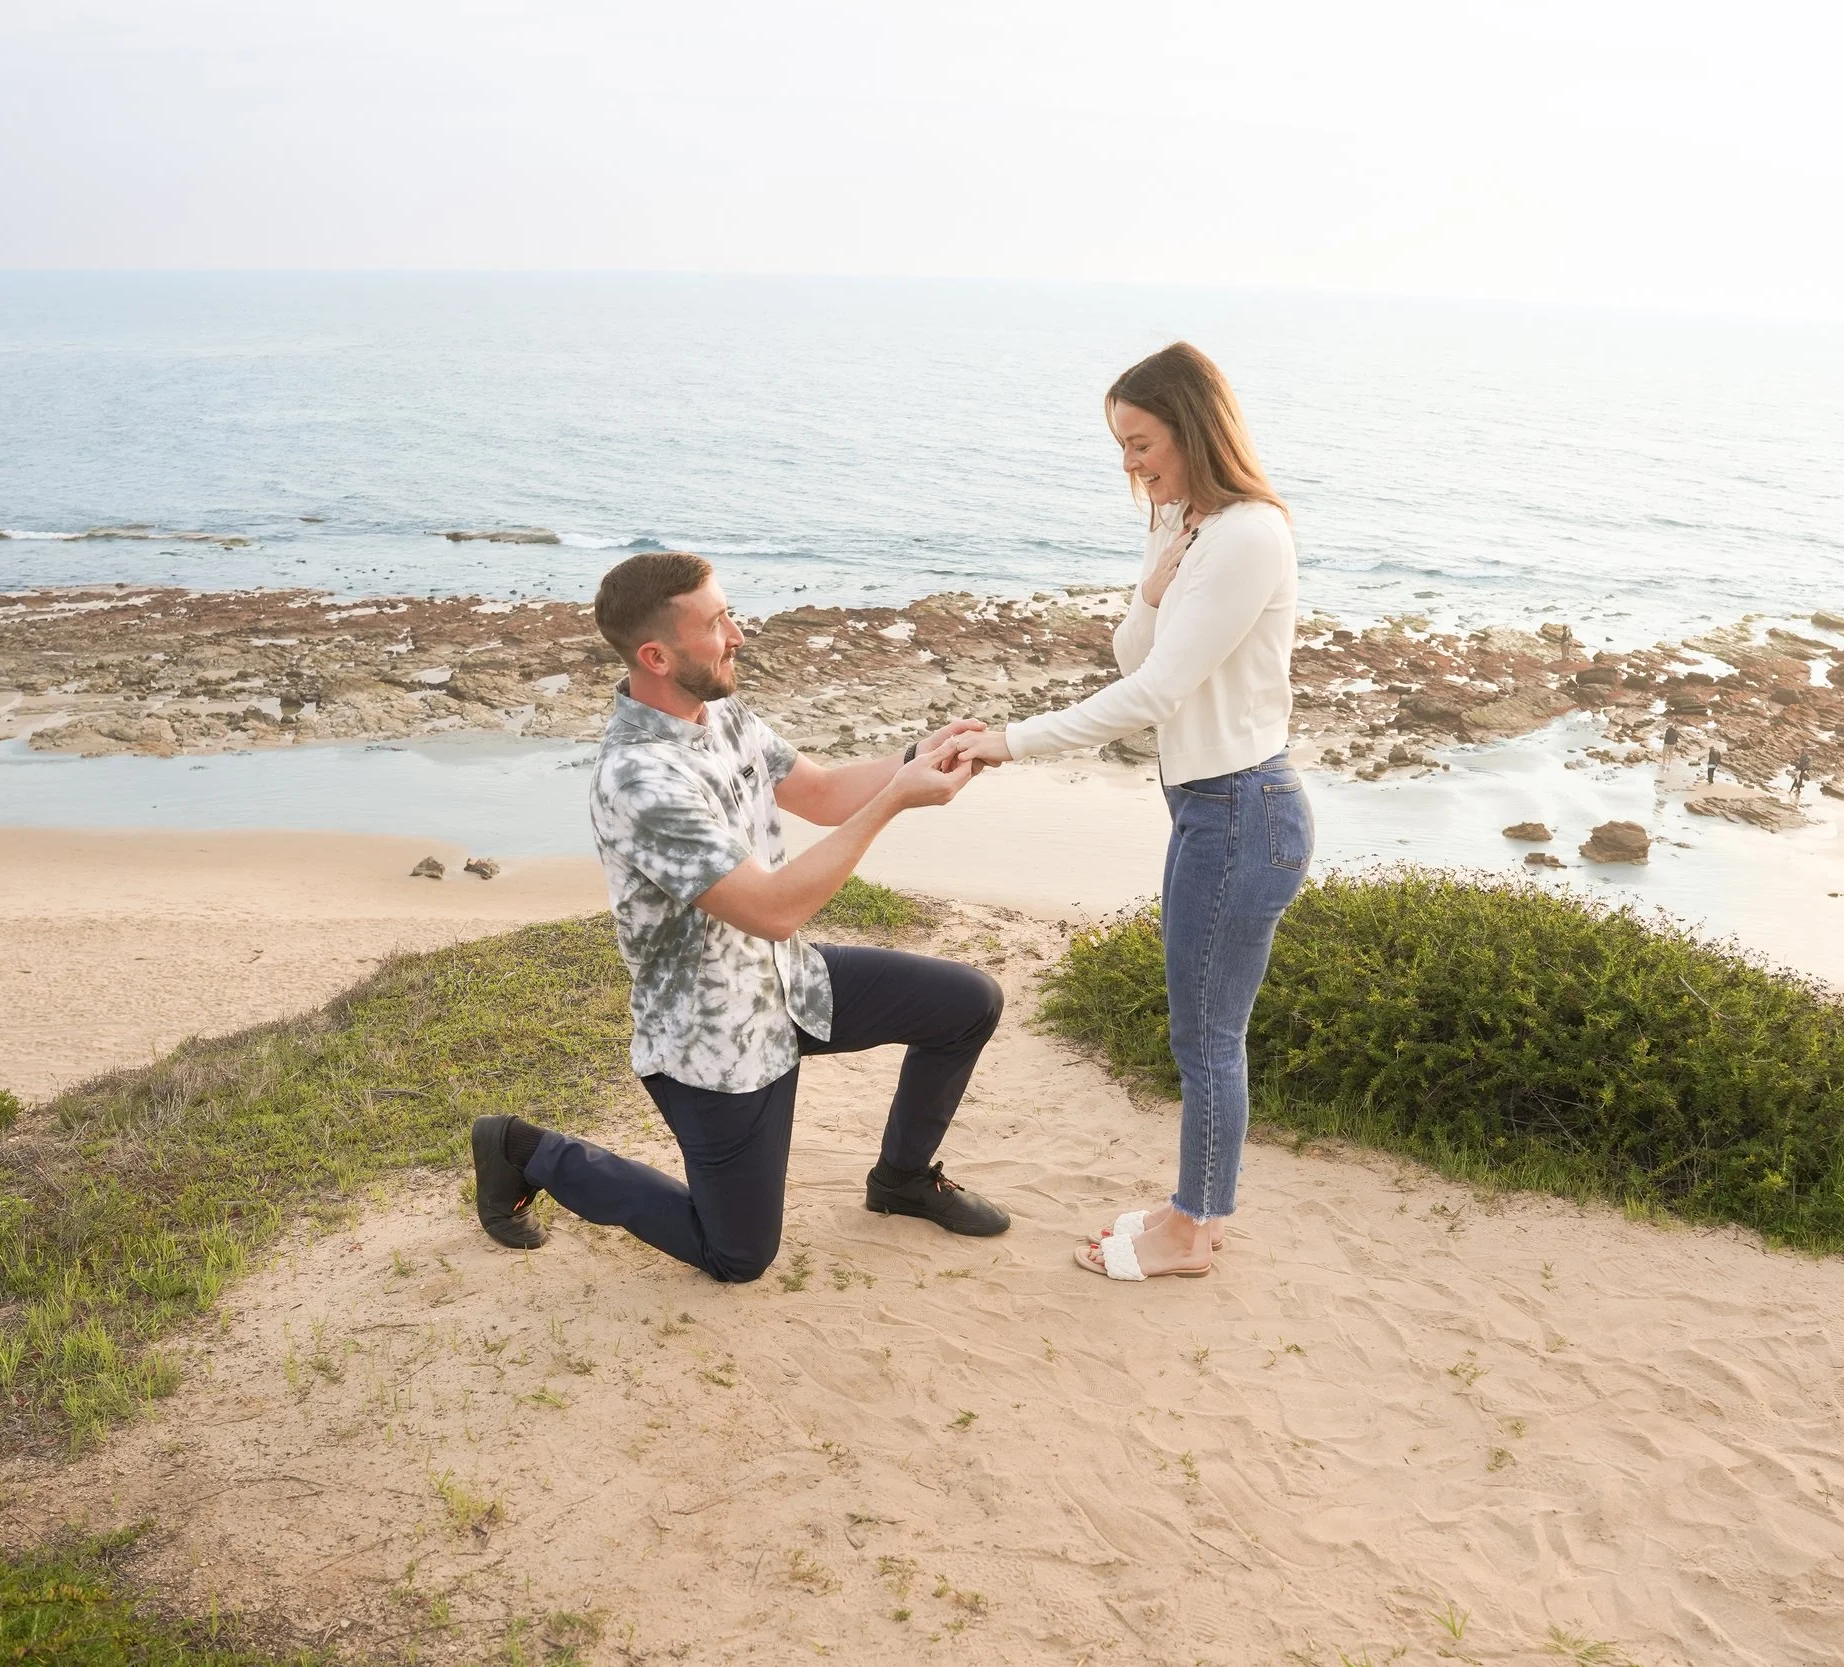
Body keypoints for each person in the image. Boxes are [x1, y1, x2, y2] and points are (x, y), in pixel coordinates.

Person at [469, 551, 1012, 1282]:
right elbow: (774, 908)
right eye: (718, 622)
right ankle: (522, 1149)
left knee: (967, 1004)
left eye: (729, 612)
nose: (739, 634)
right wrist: (897, 800)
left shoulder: (720, 711)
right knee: (739, 1255)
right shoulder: (639, 779)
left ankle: (902, 1180)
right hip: (711, 1040)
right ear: (657, 655)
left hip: (789, 984)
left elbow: (818, 791)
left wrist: (923, 752)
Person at [953, 342, 1308, 1282]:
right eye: (1120, 446)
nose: (1131, 464)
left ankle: (1193, 1233)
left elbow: (1152, 694)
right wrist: (1155, 578)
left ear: (1193, 426)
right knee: (1201, 1027)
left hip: (1241, 809)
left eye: (1141, 441)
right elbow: (1131, 650)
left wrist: (1010, 740)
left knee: (1206, 1034)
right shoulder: (1188, 526)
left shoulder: (1247, 535)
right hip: (1210, 807)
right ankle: (1199, 1208)